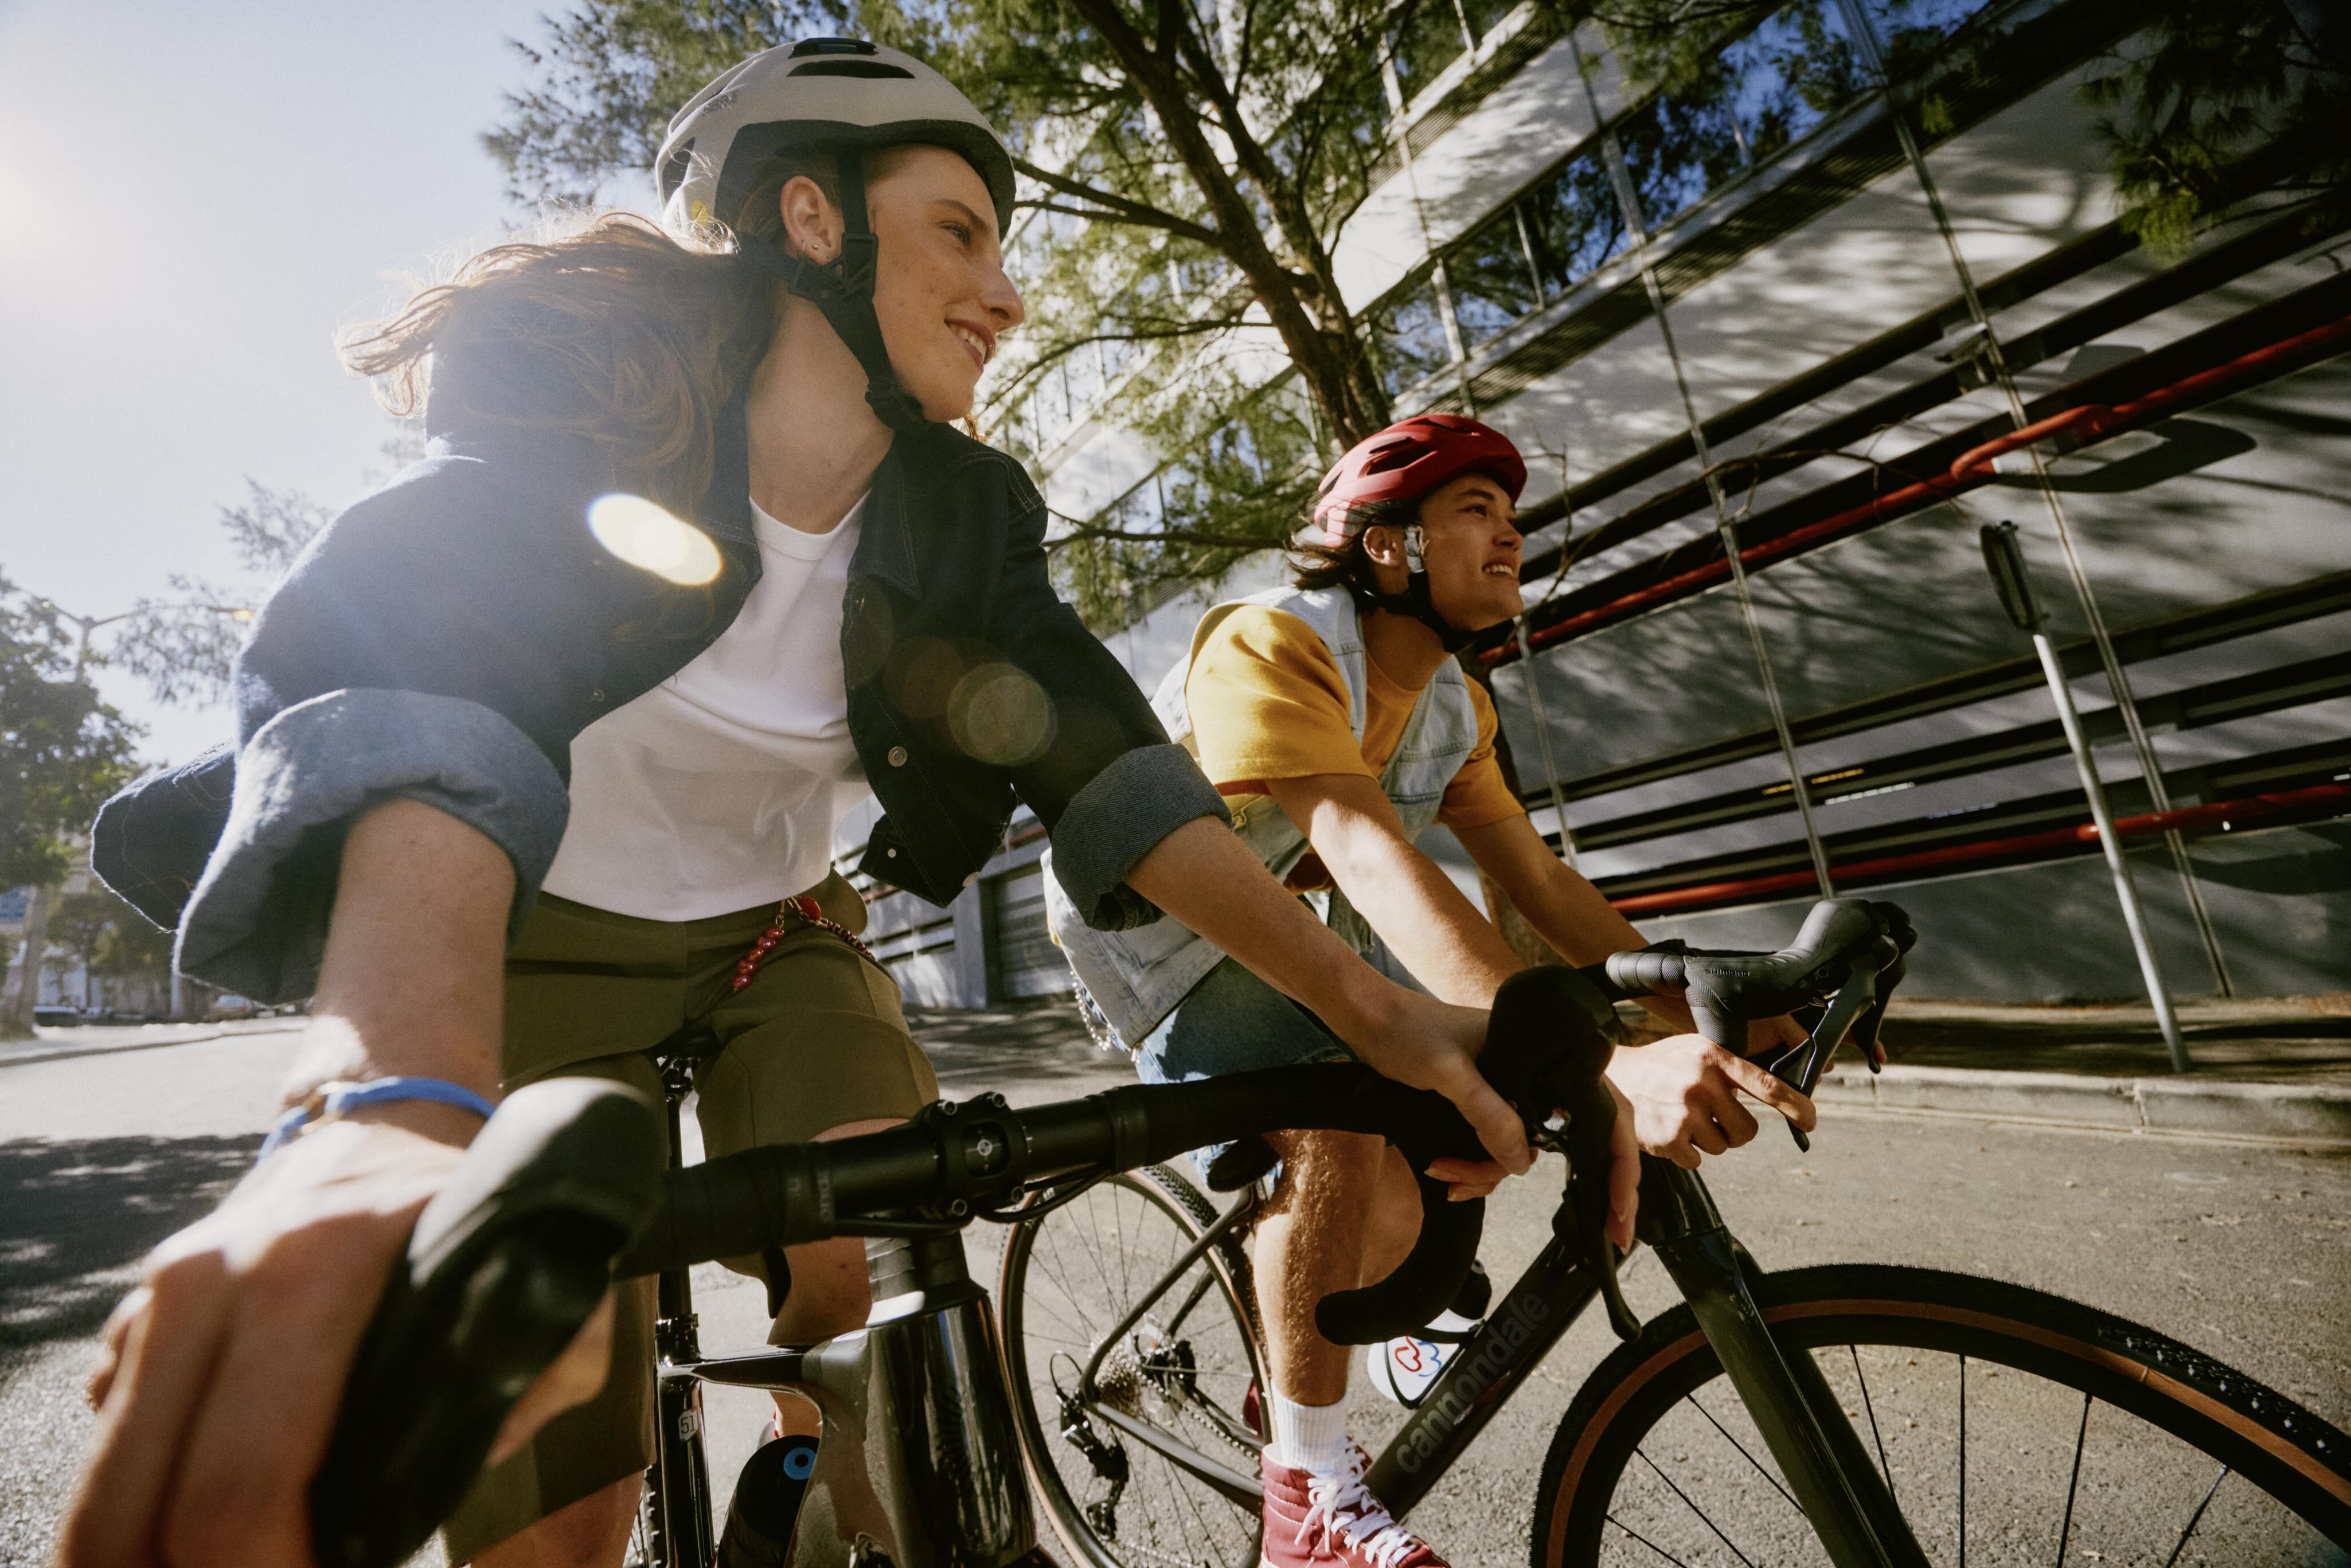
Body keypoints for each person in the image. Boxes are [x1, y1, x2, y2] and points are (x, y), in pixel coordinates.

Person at [58, 42, 1550, 1568]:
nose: (1006, 297)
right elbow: (419, 696)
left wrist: (1378, 1018)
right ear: (813, 219)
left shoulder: (963, 513)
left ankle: (818, 1510)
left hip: (776, 937)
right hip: (531, 949)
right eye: (959, 233)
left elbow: (1114, 776)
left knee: (871, 1280)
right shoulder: (582, 417)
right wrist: (387, 1108)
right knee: (563, 1490)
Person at [1049, 413, 1825, 1568]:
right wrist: (1603, 1059)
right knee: (1337, 1106)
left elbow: (1539, 885)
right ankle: (1305, 1500)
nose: (1510, 536)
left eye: (1512, 516)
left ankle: (1287, 1357)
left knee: (1411, 1195)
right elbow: (1364, 853)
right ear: (1386, 546)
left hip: (1306, 925)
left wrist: (1711, 1006)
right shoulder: (1272, 641)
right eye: (1475, 512)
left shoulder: (1455, 703)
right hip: (1166, 939)